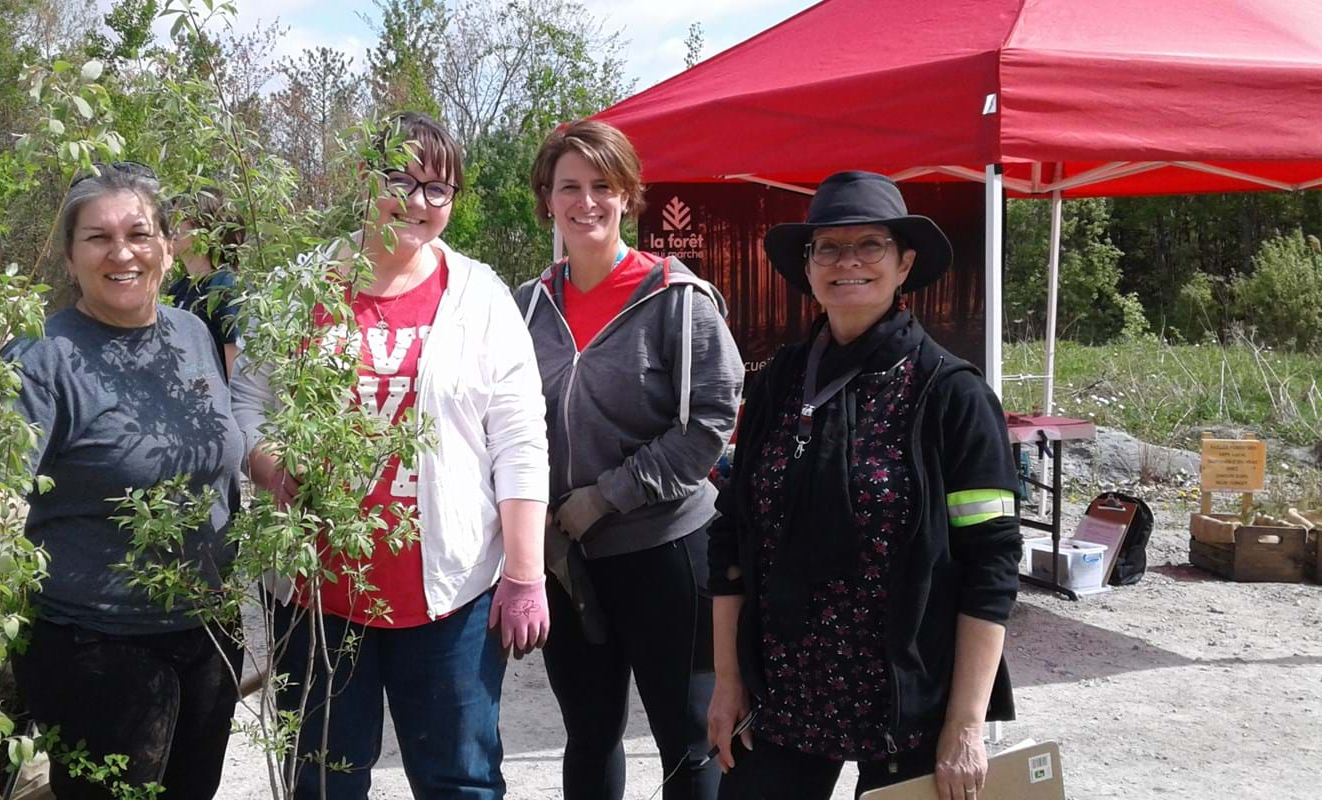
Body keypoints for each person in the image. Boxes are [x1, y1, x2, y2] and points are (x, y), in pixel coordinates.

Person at [230, 111, 551, 800]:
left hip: (451, 595)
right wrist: (274, 467)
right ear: (363, 179)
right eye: (399, 179)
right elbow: (245, 403)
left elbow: (521, 438)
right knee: (323, 778)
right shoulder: (299, 287)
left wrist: (525, 574)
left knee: (458, 780)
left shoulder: (481, 298)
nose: (417, 202)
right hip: (319, 593)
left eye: (439, 189)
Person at [705, 171, 1020, 800]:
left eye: (870, 245)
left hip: (908, 702)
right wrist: (728, 680)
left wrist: (965, 725)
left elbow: (992, 564)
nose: (848, 261)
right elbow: (732, 541)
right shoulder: (776, 385)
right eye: (828, 246)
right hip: (786, 694)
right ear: (810, 266)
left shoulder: (952, 394)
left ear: (904, 263)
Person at [0, 162, 246, 800]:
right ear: (69, 256)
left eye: (139, 233)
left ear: (167, 244)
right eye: (98, 238)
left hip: (209, 629)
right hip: (97, 644)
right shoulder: (40, 357)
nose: (122, 253)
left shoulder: (191, 334)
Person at [516, 119, 744, 800]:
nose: (586, 202)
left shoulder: (677, 299)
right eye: (569, 187)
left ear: (628, 196)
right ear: (546, 199)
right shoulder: (526, 307)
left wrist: (607, 496)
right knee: (588, 732)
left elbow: (709, 423)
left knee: (687, 736)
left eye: (602, 186)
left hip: (666, 549)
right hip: (567, 559)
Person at [167, 187, 244, 380]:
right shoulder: (178, 290)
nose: (170, 227)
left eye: (179, 218)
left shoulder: (224, 285)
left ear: (205, 226)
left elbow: (233, 357)